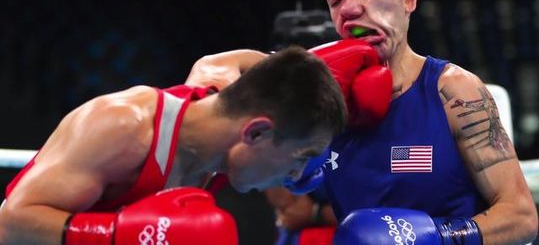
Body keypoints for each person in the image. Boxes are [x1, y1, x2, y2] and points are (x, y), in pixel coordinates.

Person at [183, 0, 539, 244]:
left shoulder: (454, 90)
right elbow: (215, 66)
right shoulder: (319, 94)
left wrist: (436, 237)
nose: (350, 8)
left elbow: (522, 216)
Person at [0, 46, 349, 245]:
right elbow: (11, 223)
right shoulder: (122, 128)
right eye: (301, 158)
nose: (297, 175)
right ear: (255, 133)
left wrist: (322, 81)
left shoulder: (222, 99)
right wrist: (118, 237)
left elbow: (233, 63)